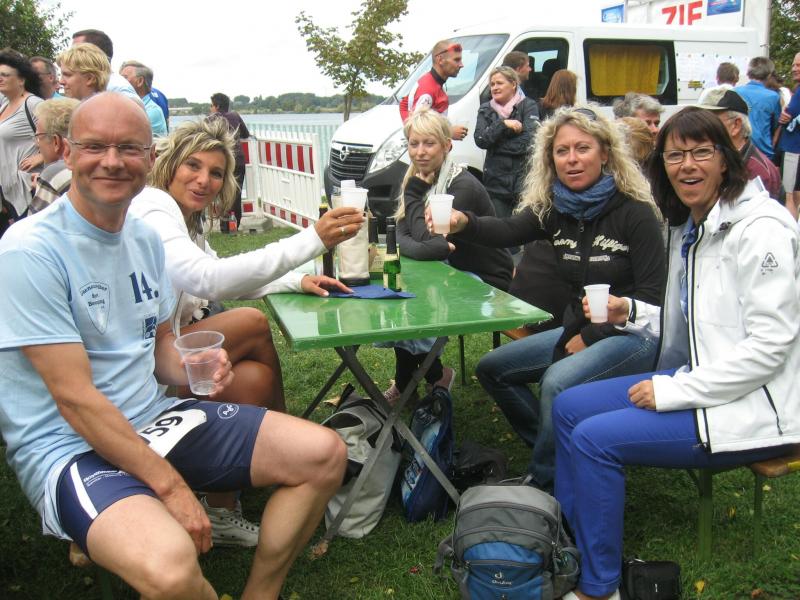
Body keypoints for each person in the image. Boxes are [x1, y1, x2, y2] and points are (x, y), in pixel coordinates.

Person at [0, 92, 348, 600]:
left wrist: (190, 364)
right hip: (70, 446)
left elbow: (160, 344)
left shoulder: (144, 239)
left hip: (152, 417)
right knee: (171, 571)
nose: (113, 161)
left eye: (129, 148)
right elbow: (75, 399)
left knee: (324, 453)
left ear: (148, 159)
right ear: (67, 152)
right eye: (95, 146)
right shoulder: (30, 250)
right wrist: (170, 486)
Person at [553, 106, 800, 600]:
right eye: (674, 155)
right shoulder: (696, 227)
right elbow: (694, 317)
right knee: (568, 405)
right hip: (704, 380)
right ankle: (569, 548)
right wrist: (630, 311)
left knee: (594, 439)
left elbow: (770, 349)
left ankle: (598, 587)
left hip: (757, 407)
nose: (687, 165)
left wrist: (673, 390)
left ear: (725, 159)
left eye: (700, 152)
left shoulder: (760, 229)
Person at [129, 118, 362, 545]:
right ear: (169, 164)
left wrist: (294, 280)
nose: (204, 180)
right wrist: (312, 240)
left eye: (216, 172)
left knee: (254, 379)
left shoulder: (187, 219)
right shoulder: (155, 207)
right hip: (146, 374)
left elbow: (217, 272)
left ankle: (223, 506)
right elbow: (207, 279)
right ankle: (289, 447)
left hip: (165, 360)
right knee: (251, 323)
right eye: (193, 166)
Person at [443, 106, 666, 492]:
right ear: (551, 159)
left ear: (605, 154)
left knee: (556, 382)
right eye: (562, 151)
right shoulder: (556, 209)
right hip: (577, 327)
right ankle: (564, 450)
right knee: (492, 369)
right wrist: (465, 222)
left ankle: (543, 483)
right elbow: (509, 230)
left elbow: (652, 298)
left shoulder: (636, 213)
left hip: (634, 335)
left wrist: (591, 337)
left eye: (583, 148)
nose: (572, 159)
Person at [382, 108, 513, 402]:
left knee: (417, 300)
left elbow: (427, 245)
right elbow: (403, 234)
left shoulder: (461, 186)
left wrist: (413, 201)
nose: (420, 152)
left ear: (447, 146)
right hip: (446, 270)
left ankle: (412, 383)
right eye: (414, 143)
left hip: (486, 278)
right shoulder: (418, 178)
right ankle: (429, 376)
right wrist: (415, 240)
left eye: (429, 143)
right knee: (399, 292)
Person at [474, 66, 541, 219]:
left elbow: (529, 141)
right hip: (495, 185)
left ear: (513, 84)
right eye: (492, 84)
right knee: (500, 229)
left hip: (522, 184)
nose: (495, 87)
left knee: (521, 229)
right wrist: (503, 124)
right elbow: (481, 140)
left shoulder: (528, 106)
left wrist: (495, 146)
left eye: (499, 83)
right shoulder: (485, 109)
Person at [698, 87, 784, 201]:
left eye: (711, 121)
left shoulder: (756, 172)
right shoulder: (730, 158)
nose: (703, 127)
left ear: (736, 126)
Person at [0, 51, 43, 234]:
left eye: (5, 75)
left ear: (21, 80)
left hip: (28, 189)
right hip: (8, 192)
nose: (0, 78)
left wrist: (41, 156)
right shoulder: (5, 105)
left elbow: (63, 133)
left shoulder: (33, 104)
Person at [399, 39, 467, 140]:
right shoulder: (428, 89)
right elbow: (418, 130)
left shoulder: (432, 83)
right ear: (440, 60)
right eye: (456, 60)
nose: (461, 65)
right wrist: (449, 132)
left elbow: (404, 104)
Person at [29, 97, 79, 214]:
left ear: (56, 141)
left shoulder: (53, 174)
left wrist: (46, 184)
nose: (37, 144)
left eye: (38, 137)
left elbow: (35, 222)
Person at [209, 92, 250, 229]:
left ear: (217, 106)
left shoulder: (211, 120)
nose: (210, 108)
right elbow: (245, 134)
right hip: (238, 160)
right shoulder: (235, 116)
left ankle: (225, 224)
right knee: (236, 194)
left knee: (222, 193)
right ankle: (235, 224)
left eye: (211, 105)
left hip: (222, 161)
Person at [71, 28, 141, 104]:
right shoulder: (93, 85)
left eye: (77, 51)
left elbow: (136, 108)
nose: (71, 55)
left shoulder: (117, 88)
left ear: (96, 53)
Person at [735, 56, 782, 160]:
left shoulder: (735, 92)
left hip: (738, 148)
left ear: (749, 73)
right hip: (763, 150)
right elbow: (776, 125)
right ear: (769, 75)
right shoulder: (773, 96)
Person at [778, 51, 800, 217]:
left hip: (793, 149)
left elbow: (787, 115)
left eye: (798, 65)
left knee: (788, 195)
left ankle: (790, 230)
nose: (794, 69)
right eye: (793, 65)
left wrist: (785, 116)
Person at [120, 60, 168, 136]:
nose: (119, 82)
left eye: (124, 78)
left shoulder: (152, 111)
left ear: (140, 81)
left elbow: (126, 137)